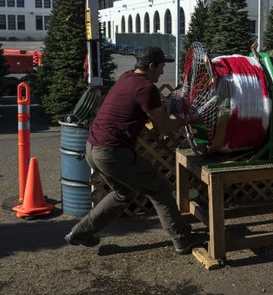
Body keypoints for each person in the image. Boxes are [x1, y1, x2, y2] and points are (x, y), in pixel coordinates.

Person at [65, 46, 199, 254]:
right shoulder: (147, 88)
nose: (163, 71)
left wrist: (168, 108)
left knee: (123, 193)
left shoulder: (127, 77)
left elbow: (144, 110)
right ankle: (182, 239)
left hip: (93, 148)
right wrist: (189, 119)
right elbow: (163, 127)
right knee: (159, 189)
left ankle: (80, 233)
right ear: (151, 66)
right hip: (112, 152)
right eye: (162, 66)